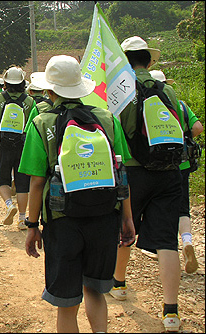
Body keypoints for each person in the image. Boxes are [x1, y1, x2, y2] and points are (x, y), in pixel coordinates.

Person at [19, 55, 135, 333]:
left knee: (67, 304)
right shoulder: (107, 118)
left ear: (49, 90)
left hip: (62, 221)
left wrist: (32, 226)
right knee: (95, 290)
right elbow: (121, 173)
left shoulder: (41, 122)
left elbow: (36, 183)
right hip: (105, 216)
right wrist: (127, 218)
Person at [112, 36, 183, 332]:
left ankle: (119, 284)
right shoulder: (167, 90)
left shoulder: (122, 91)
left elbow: (122, 131)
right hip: (169, 172)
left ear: (123, 64)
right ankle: (171, 312)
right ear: (149, 61)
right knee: (167, 241)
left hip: (134, 171)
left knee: (126, 226)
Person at [145, 70, 203, 274]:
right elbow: (198, 127)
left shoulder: (145, 104)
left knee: (159, 208)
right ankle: (187, 241)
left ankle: (164, 249)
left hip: (158, 165)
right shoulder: (180, 105)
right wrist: (183, 134)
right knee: (182, 208)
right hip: (182, 164)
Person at [0, 66, 37, 230]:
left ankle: (9, 205)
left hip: (3, 144)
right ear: (23, 82)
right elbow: (31, 128)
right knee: (22, 183)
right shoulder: (30, 101)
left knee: (2, 179)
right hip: (22, 145)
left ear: (5, 82)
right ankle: (22, 219)